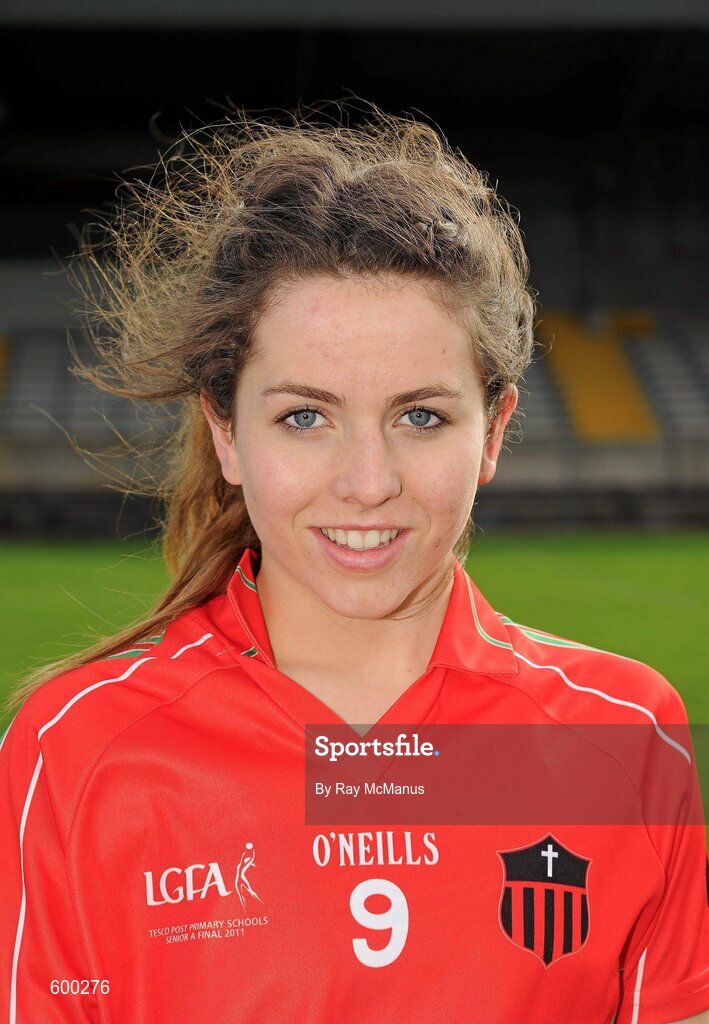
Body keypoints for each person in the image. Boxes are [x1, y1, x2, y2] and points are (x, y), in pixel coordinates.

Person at [0, 100, 706, 1024]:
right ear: (225, 432)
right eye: (305, 416)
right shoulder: (78, 754)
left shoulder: (624, 739)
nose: (366, 484)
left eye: (420, 416)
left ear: (491, 431)